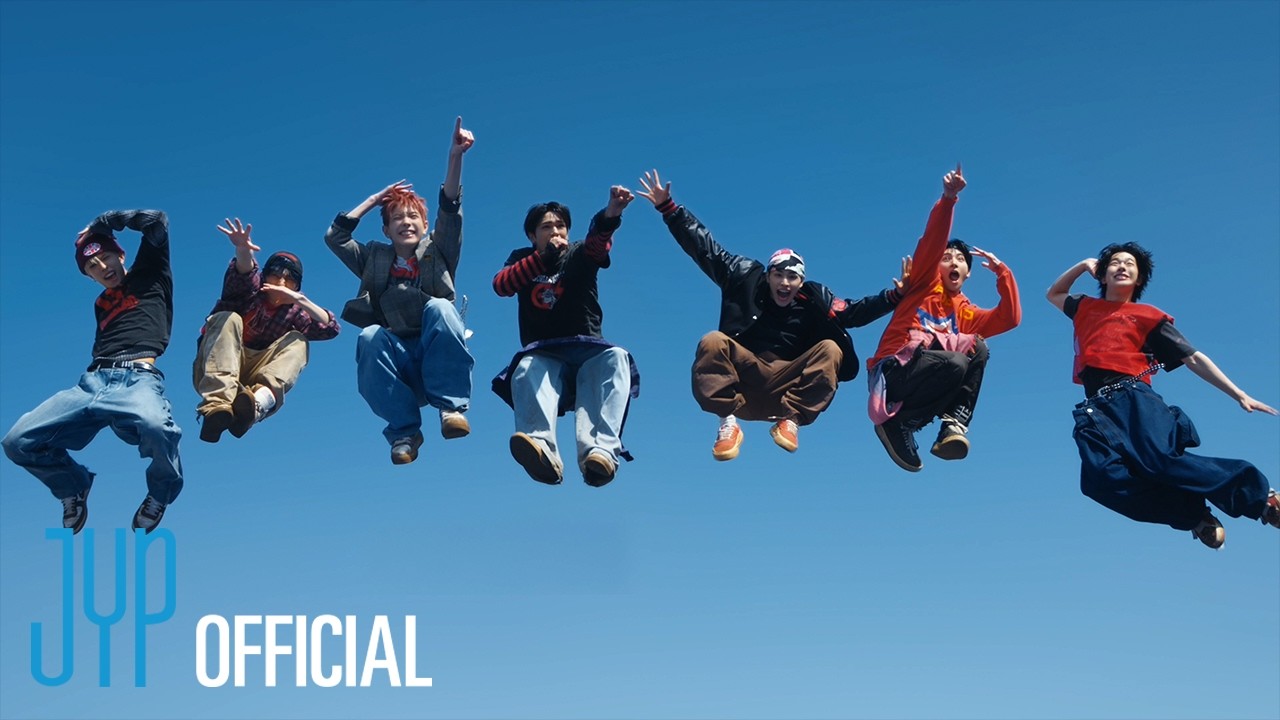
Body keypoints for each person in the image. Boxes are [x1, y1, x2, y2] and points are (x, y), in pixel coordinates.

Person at [637, 169, 909, 460]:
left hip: (786, 389)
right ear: (768, 276)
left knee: (831, 349)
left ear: (801, 282)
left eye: (792, 277)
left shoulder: (816, 299)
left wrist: (894, 297)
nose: (784, 283)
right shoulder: (743, 277)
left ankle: (792, 420)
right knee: (712, 341)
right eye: (778, 275)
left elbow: (853, 312)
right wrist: (669, 209)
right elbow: (706, 250)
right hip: (743, 385)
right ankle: (728, 422)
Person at [1047, 243, 1279, 549]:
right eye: (1114, 263)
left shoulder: (1148, 316)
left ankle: (1261, 498)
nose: (1122, 266)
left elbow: (1192, 357)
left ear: (1139, 279)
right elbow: (1054, 293)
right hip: (1095, 411)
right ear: (1102, 275)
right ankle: (1192, 513)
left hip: (1133, 398)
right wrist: (1082, 264)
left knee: (1160, 461)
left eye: (1130, 264)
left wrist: (1239, 394)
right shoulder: (1084, 307)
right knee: (1099, 481)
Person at [3, 210, 182, 533]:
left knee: (156, 426)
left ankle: (160, 493)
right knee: (17, 441)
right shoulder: (100, 305)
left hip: (137, 379)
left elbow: (156, 222)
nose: (102, 267)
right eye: (92, 267)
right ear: (89, 276)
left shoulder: (151, 272)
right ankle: (73, 485)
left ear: (120, 255)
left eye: (106, 258)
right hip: (93, 382)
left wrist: (104, 223)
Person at [325, 117, 475, 465]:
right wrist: (375, 199)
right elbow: (335, 238)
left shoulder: (439, 250)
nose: (406, 222)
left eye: (412, 217)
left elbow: (450, 207)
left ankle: (451, 409)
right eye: (397, 218)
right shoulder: (374, 259)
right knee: (369, 335)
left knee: (440, 308)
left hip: (436, 355)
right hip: (401, 365)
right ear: (386, 229)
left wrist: (455, 156)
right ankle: (405, 432)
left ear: (424, 225)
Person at [867, 165, 1021, 472]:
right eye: (947, 258)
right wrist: (949, 198)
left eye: (961, 259)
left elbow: (1010, 318)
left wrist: (1003, 273)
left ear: (967, 273)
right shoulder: (924, 283)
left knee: (976, 350)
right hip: (893, 370)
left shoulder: (966, 313)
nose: (953, 262)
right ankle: (900, 422)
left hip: (928, 374)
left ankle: (947, 424)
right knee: (957, 361)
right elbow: (933, 241)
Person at [491, 186, 639, 487]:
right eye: (546, 227)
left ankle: (600, 453)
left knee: (617, 357)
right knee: (526, 366)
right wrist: (541, 258)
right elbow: (502, 285)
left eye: (560, 226)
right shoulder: (522, 259)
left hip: (587, 352)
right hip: (545, 355)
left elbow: (598, 245)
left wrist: (612, 213)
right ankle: (541, 449)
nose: (555, 231)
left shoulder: (579, 253)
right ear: (533, 236)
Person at [194, 218, 340, 442]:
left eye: (290, 279)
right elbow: (244, 272)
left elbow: (331, 328)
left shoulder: (295, 313)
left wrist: (300, 300)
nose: (281, 282)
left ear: (297, 287)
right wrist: (243, 249)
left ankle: (257, 404)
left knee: (299, 341)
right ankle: (217, 407)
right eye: (276, 274)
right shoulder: (250, 292)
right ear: (265, 276)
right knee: (229, 318)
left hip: (251, 377)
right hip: (215, 366)